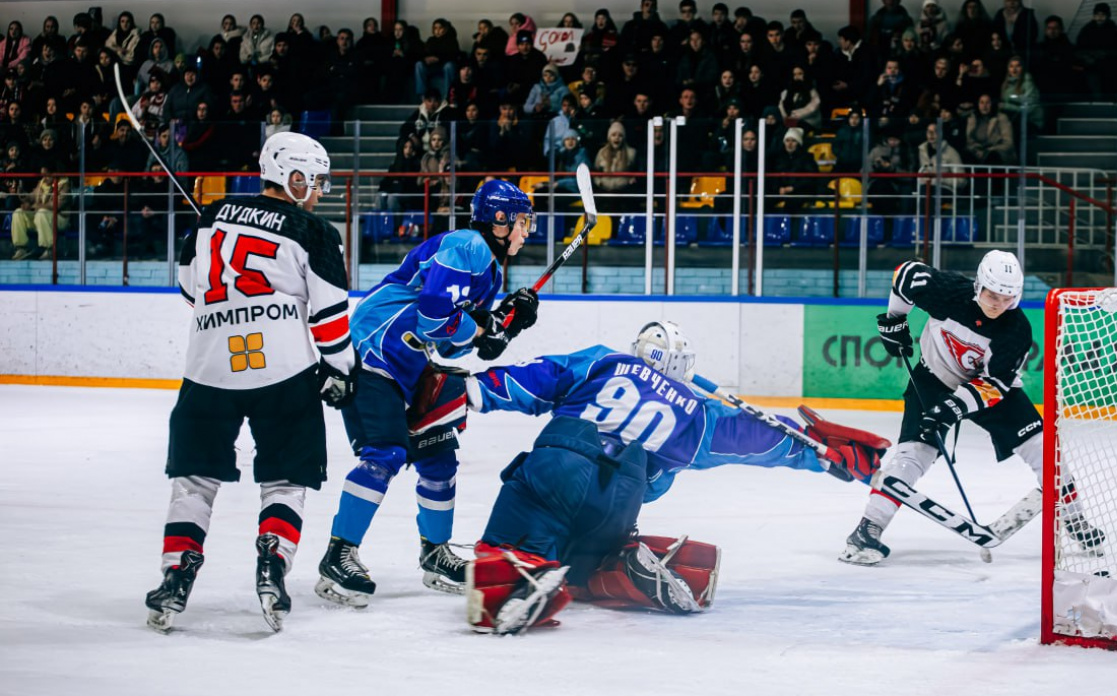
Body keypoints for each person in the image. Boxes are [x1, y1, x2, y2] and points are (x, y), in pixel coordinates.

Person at [463, 321, 888, 634]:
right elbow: (759, 438)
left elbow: (528, 380)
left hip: (559, 466)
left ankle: (523, 572)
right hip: (619, 501)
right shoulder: (698, 413)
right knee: (586, 562)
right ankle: (613, 569)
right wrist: (822, 451)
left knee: (507, 546)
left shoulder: (602, 361)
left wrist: (463, 392)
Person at [143, 132, 356, 633]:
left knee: (193, 479)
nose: (321, 190)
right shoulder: (315, 231)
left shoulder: (210, 215)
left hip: (208, 368)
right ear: (293, 175)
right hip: (283, 371)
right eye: (316, 180)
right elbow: (329, 319)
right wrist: (343, 370)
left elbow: (189, 290)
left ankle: (175, 576)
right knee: (286, 478)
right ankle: (272, 567)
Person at [313, 180, 541, 607]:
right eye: (523, 221)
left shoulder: (488, 270)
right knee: (385, 453)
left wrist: (504, 326)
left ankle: (435, 554)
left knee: (439, 457)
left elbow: (453, 341)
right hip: (373, 352)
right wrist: (486, 325)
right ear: (499, 219)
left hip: (413, 367)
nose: (527, 230)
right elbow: (434, 321)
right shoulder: (466, 246)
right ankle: (338, 553)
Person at [841, 251, 1105, 566]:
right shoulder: (949, 291)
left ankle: (1074, 519)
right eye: (991, 295)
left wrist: (953, 407)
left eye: (1006, 298)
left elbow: (993, 384)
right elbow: (906, 274)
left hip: (986, 389)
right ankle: (868, 528)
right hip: (932, 379)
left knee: (1045, 448)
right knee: (914, 455)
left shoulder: (1016, 331)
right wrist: (894, 320)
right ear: (978, 285)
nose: (997, 303)